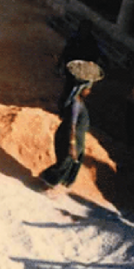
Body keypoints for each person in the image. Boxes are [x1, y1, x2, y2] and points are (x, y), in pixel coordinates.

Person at [39, 60, 103, 190]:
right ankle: (45, 185)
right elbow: (72, 125)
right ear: (82, 89)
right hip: (69, 138)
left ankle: (52, 186)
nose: (89, 92)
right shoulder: (76, 104)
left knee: (69, 165)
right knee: (63, 164)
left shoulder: (78, 102)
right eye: (88, 89)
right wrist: (72, 145)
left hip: (76, 140)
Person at [56, 19, 102, 110]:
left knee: (76, 90)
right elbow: (66, 51)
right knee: (69, 87)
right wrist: (60, 63)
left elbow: (95, 57)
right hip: (72, 69)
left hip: (82, 71)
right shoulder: (75, 38)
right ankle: (64, 106)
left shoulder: (91, 41)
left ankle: (68, 106)